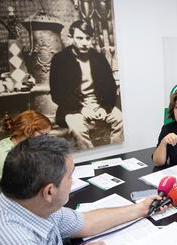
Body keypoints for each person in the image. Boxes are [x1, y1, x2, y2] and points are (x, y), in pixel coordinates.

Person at [0, 136, 165, 245]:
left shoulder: (32, 204)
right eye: (70, 177)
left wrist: (140, 209)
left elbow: (86, 222)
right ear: (49, 192)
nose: (72, 182)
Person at [50, 20, 123, 149]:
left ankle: (115, 154)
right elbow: (57, 94)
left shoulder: (99, 58)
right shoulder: (60, 60)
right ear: (70, 38)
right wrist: (81, 109)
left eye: (87, 38)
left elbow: (111, 88)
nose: (84, 43)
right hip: (73, 108)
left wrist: (104, 108)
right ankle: (90, 161)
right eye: (79, 38)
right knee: (78, 128)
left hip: (99, 104)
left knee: (121, 120)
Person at [0, 110, 51, 197]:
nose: (45, 139)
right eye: (44, 134)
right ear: (28, 130)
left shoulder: (9, 142)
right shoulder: (6, 158)